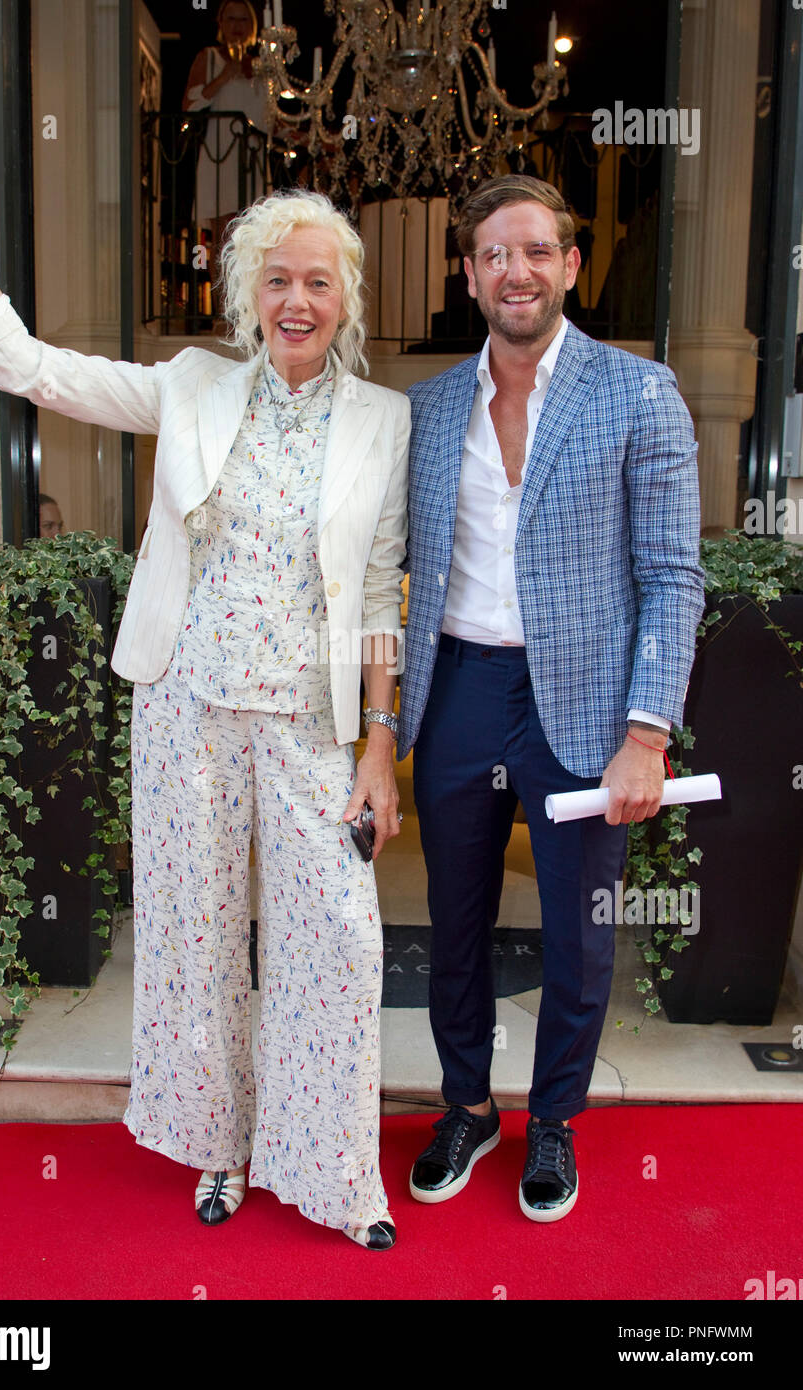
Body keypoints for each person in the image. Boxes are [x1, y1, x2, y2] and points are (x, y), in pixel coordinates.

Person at [0, 127, 409, 1250]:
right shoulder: (190, 388)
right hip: (184, 707)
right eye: (276, 278)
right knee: (193, 935)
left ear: (346, 299)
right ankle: (218, 1146)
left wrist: (380, 744)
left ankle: (334, 1170)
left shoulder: (384, 420)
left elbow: (381, 591)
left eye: (318, 281)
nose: (296, 299)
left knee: (338, 937)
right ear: (246, 293)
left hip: (314, 727)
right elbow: (28, 366)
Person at [399, 174, 704, 1222]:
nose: (514, 270)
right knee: (455, 919)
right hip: (461, 691)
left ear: (569, 266)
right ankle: (467, 1105)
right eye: (492, 253)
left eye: (534, 250)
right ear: (469, 272)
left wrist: (645, 733)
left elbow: (672, 573)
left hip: (587, 706)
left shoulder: (639, 393)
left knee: (577, 927)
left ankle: (555, 1121)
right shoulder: (428, 410)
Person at [182, 1, 267, 259]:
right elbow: (189, 105)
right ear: (221, 24)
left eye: (243, 20)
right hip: (219, 153)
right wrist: (224, 77)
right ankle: (222, 301)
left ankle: (249, 301)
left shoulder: (262, 66)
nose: (237, 26)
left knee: (254, 242)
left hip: (252, 158)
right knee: (223, 243)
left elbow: (269, 117)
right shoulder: (208, 58)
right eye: (231, 19)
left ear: (251, 26)